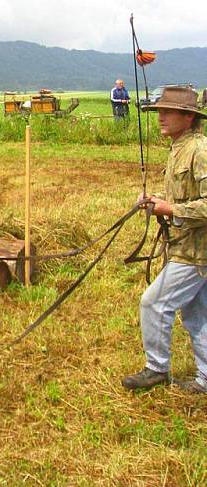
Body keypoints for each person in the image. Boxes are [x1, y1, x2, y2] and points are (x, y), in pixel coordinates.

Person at [122, 86, 207, 393]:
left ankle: (156, 369)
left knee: (154, 303)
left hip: (195, 253)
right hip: (186, 247)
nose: (161, 117)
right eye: (159, 111)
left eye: (167, 111)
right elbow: (187, 196)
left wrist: (170, 208)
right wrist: (159, 200)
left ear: (188, 117)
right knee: (197, 314)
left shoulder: (200, 151)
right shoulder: (179, 148)